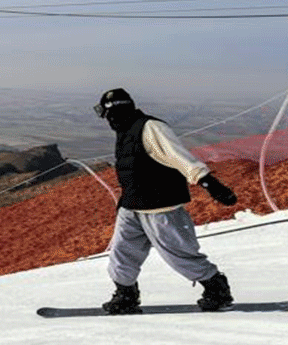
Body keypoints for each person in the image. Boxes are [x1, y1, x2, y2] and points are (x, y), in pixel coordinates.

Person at [94, 88, 240, 314]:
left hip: (161, 206)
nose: (109, 120)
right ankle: (126, 295)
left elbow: (180, 158)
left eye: (108, 114)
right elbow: (132, 170)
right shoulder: (125, 131)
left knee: (178, 253)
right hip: (132, 206)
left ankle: (216, 288)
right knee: (122, 253)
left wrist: (211, 184)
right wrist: (124, 200)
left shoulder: (151, 128)